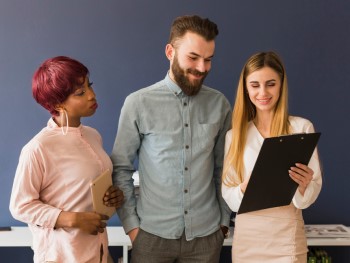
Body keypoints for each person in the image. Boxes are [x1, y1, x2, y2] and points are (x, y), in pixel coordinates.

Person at [111, 15, 232, 263]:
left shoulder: (220, 104)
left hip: (206, 238)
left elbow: (225, 169)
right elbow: (121, 168)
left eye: (208, 60)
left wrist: (223, 223)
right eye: (193, 57)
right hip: (151, 238)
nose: (202, 68)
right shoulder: (138, 103)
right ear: (170, 52)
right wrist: (133, 228)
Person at [9, 56, 124, 263]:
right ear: (57, 104)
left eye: (90, 86)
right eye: (81, 93)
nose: (92, 95)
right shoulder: (38, 148)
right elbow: (20, 206)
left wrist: (112, 196)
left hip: (99, 252)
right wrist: (71, 219)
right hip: (62, 256)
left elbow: (83, 188)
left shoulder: (92, 135)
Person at [222, 51, 322, 262]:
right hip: (247, 241)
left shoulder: (301, 129)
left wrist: (303, 185)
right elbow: (229, 196)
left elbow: (310, 193)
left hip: (286, 239)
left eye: (270, 84)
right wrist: (243, 188)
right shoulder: (235, 136)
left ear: (281, 85)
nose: (263, 92)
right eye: (255, 85)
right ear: (246, 88)